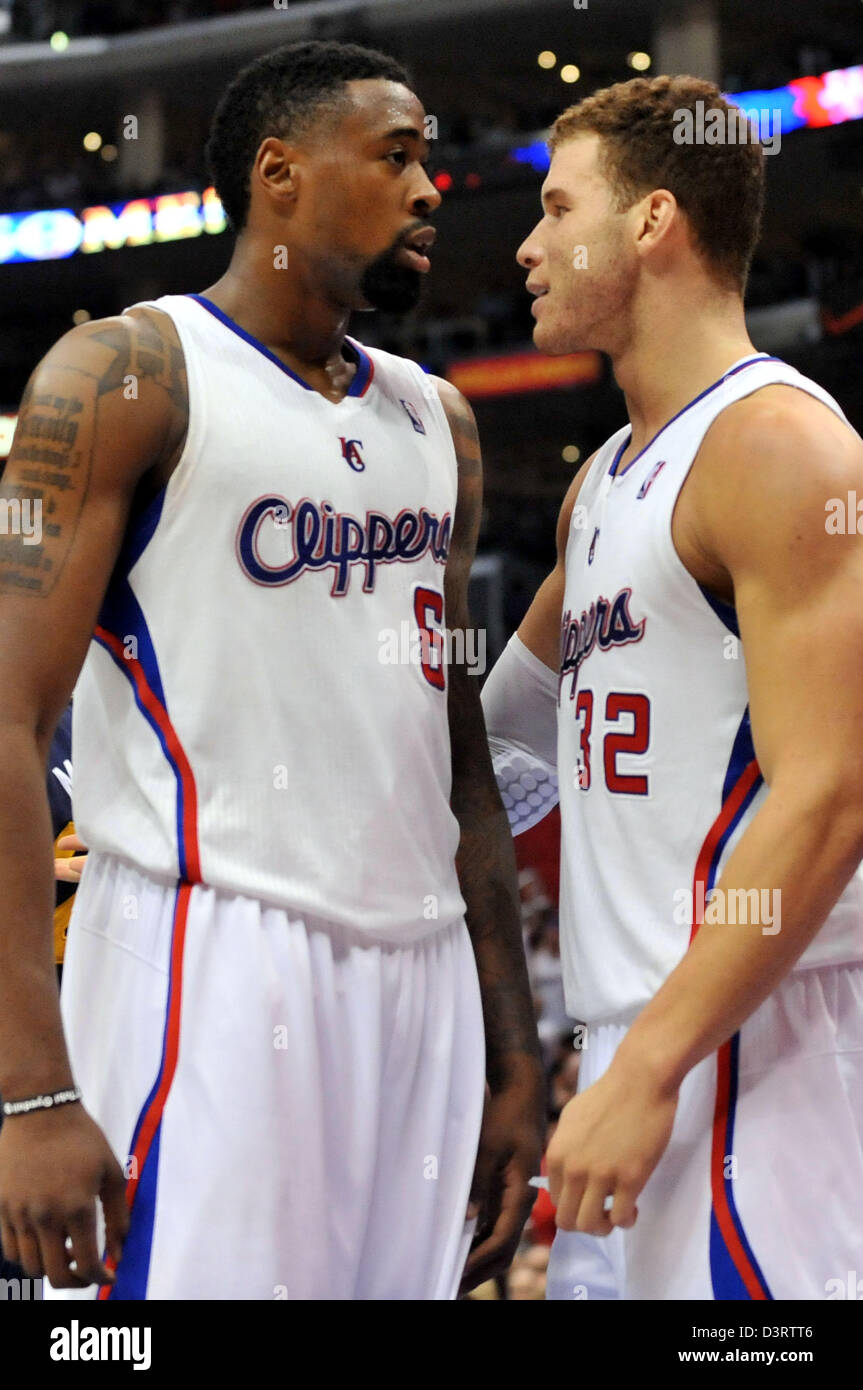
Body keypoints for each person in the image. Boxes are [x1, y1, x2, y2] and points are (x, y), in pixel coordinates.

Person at [0, 39, 544, 1301]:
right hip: (213, 957)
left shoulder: (438, 422)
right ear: (279, 174)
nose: (429, 188)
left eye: (430, 162)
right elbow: (12, 723)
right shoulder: (128, 374)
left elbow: (454, 754)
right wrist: (29, 1087)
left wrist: (512, 1056)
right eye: (396, 156)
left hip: (423, 985)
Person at [482, 74, 863, 1299]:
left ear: (650, 222)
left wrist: (648, 1067)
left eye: (554, 206)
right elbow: (497, 753)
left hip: (762, 1057)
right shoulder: (603, 481)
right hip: (632, 1058)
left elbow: (830, 795)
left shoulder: (774, 446)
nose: (527, 245)